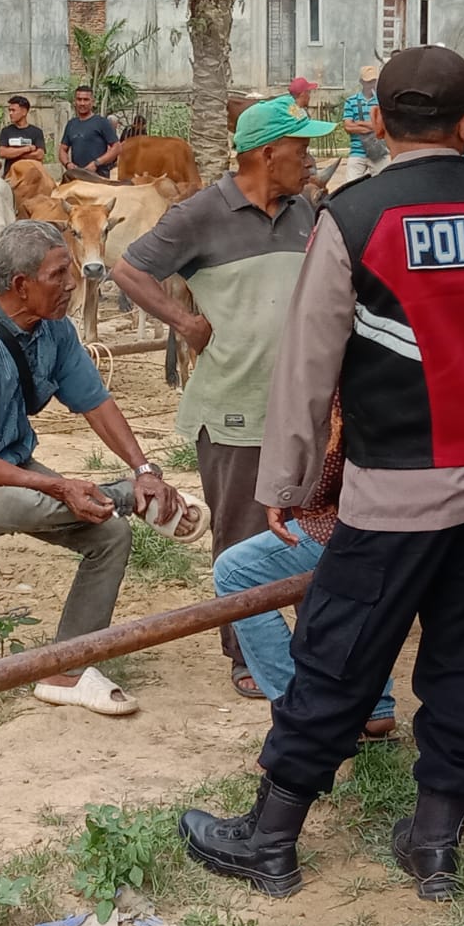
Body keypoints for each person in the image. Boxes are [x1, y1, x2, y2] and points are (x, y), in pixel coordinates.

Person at [178, 45, 464, 901]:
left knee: (337, 658)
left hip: (393, 497)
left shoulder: (352, 217)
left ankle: (270, 839)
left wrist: (287, 484)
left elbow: (308, 368)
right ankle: (435, 842)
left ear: (378, 122)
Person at [0, 220, 202, 716]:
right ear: (21, 285)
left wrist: (145, 465)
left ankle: (65, 667)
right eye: (58, 274)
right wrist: (61, 485)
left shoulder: (54, 329)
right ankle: (126, 496)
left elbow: (96, 402)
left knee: (110, 536)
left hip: (9, 464)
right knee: (43, 500)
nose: (73, 284)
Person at [112, 97, 330, 699]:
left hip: (304, 406)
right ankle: (246, 655)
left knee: (307, 524)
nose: (309, 158)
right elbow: (129, 271)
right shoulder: (200, 213)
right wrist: (182, 322)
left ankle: (304, 643)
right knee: (240, 533)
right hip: (235, 399)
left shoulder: (304, 211)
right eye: (301, 147)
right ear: (267, 153)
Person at [212, 398, 396, 738]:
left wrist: (286, 492)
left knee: (235, 571)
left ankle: (301, 708)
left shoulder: (336, 362)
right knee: (352, 578)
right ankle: (375, 704)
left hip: (361, 519)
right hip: (415, 512)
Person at [59, 85, 121, 177]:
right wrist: (67, 164)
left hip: (98, 178)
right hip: (77, 178)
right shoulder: (71, 124)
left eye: (86, 99)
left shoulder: (102, 122)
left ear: (92, 102)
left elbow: (117, 147)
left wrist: (96, 163)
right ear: (75, 102)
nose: (82, 103)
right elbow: (62, 149)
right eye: (79, 99)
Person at [341, 65, 382, 183]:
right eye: (368, 81)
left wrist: (359, 124)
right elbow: (348, 127)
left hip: (378, 152)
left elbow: (382, 126)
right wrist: (372, 126)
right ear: (361, 82)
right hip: (357, 151)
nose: (371, 85)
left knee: (383, 185)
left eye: (373, 81)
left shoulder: (381, 101)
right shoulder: (351, 101)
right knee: (350, 186)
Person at [0, 96, 46, 167]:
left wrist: (13, 153)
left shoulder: (37, 132)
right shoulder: (6, 131)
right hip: (11, 174)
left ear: (24, 112)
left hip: (30, 173)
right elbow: (2, 153)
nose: (10, 113)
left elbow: (39, 155)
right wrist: (27, 149)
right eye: (9, 110)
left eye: (13, 110)